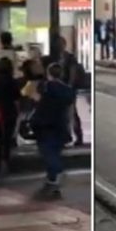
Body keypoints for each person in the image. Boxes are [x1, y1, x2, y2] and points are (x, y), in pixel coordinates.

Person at [30, 62, 76, 198]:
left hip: (45, 124)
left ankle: (57, 173)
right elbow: (70, 112)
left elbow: (37, 102)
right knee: (55, 151)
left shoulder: (44, 87)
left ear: (48, 73)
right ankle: (52, 180)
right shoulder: (68, 90)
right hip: (60, 125)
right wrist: (70, 128)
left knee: (47, 152)